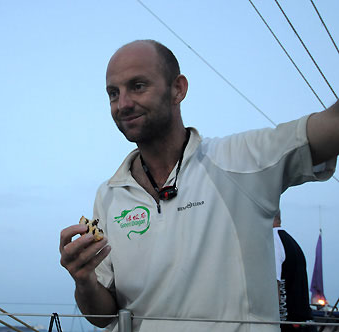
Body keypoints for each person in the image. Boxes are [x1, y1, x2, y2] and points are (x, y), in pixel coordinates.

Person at [59, 40, 338, 332]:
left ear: (178, 89)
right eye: (113, 93)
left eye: (138, 86)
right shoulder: (110, 194)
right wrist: (84, 280)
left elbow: (330, 128)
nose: (123, 104)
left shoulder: (242, 160)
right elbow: (103, 316)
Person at [274, 211, 316, 332]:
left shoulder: (273, 241)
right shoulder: (291, 242)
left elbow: (274, 284)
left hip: (287, 324)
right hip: (304, 323)